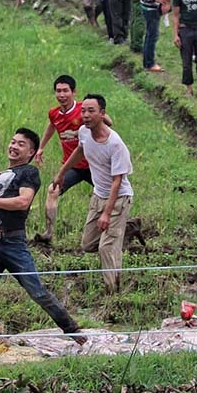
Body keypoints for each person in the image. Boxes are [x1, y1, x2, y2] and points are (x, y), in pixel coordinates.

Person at [0, 128, 86, 359]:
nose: (14, 146)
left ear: (31, 152)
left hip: (12, 243)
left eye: (21, 144)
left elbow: (23, 201)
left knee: (37, 291)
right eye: (12, 141)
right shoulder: (1, 178)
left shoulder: (29, 172)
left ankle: (72, 330)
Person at [51, 94, 134, 294]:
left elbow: (117, 182)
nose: (85, 115)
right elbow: (80, 151)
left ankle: (113, 292)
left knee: (106, 248)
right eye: (83, 111)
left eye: (91, 111)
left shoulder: (115, 144)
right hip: (98, 196)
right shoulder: (83, 132)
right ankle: (126, 230)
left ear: (102, 114)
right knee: (88, 244)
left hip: (118, 199)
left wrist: (107, 213)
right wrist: (61, 173)